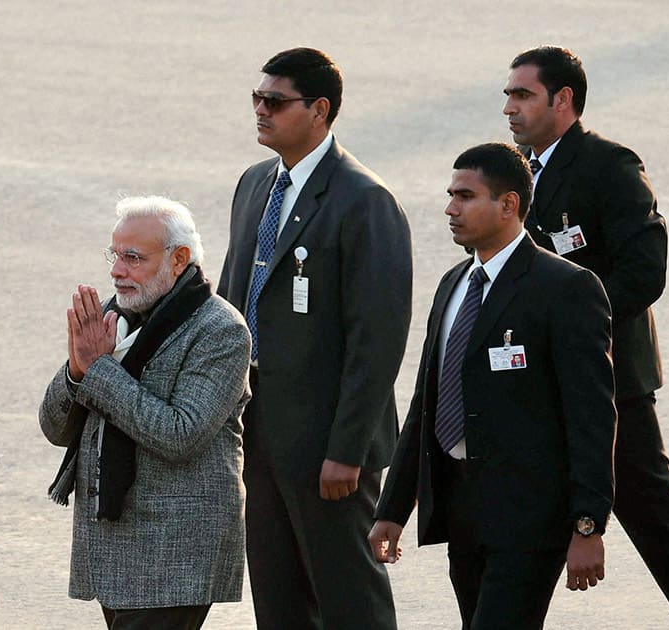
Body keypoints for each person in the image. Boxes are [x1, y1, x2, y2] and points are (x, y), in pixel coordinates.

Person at [502, 45, 669, 629]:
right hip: (528, 382)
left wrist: (570, 326)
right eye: (507, 96)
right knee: (514, 523)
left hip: (610, 381)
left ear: (562, 101)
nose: (509, 108)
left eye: (523, 95)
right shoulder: (511, 172)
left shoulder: (608, 166)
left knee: (659, 524)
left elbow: (644, 272)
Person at [368, 143, 616, 630]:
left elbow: (591, 415)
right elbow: (427, 402)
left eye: (465, 196)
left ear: (509, 205)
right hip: (462, 512)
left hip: (529, 519)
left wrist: (588, 525)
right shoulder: (453, 284)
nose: (450, 208)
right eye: (450, 195)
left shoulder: (566, 287)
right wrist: (393, 509)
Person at [217, 47, 411, 629]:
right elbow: (229, 303)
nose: (260, 110)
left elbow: (376, 341)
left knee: (349, 599)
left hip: (327, 446)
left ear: (320, 110)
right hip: (259, 434)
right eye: (257, 98)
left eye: (275, 101)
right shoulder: (255, 185)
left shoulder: (364, 200)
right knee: (279, 600)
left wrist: (347, 449)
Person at [39, 196, 250, 629]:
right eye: (115, 255)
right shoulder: (114, 318)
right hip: (115, 548)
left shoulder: (221, 331)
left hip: (175, 553)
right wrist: (77, 373)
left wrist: (98, 371)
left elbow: (180, 434)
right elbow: (55, 428)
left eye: (133, 257)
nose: (117, 270)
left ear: (180, 260)